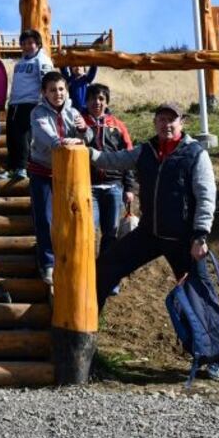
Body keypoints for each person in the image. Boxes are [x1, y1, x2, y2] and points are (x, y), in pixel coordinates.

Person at [89, 102, 219, 381]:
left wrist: (200, 235)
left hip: (184, 240)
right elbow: (113, 160)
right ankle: (85, 336)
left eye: (171, 120)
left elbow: (206, 196)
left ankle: (216, 359)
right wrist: (86, 152)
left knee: (199, 294)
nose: (166, 124)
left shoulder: (195, 154)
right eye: (161, 119)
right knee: (104, 268)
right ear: (155, 123)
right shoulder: (146, 151)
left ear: (182, 123)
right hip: (149, 234)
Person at [28, 71, 90, 287]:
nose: (58, 94)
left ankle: (68, 257)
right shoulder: (37, 113)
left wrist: (83, 130)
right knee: (45, 218)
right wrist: (63, 142)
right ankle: (47, 262)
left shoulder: (73, 112)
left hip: (68, 172)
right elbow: (46, 136)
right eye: (53, 90)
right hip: (42, 171)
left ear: (67, 90)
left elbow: (87, 139)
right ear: (44, 92)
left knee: (71, 217)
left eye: (61, 89)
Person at [82, 83, 136, 295]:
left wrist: (129, 187)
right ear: (86, 101)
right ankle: (88, 276)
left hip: (114, 186)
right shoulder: (80, 123)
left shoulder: (118, 126)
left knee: (111, 234)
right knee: (88, 232)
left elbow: (129, 157)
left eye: (101, 99)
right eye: (93, 99)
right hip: (88, 186)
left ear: (107, 102)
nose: (97, 102)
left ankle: (108, 277)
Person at [6, 29, 54, 180]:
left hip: (30, 103)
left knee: (23, 136)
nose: (27, 46)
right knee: (12, 136)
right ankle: (13, 167)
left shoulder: (42, 60)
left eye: (30, 43)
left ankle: (23, 167)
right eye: (24, 43)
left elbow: (48, 82)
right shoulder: (20, 62)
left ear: (38, 44)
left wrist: (46, 104)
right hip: (15, 104)